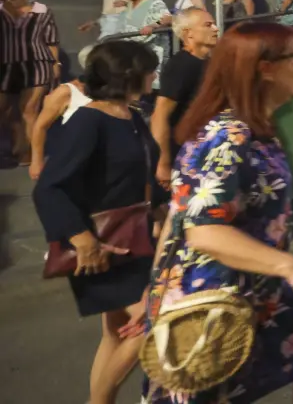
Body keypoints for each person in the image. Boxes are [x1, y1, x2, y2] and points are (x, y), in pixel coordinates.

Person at [143, 22, 293, 402]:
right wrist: (292, 268)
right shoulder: (226, 136)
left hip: (255, 291)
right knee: (203, 391)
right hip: (210, 301)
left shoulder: (257, 130)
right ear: (266, 68)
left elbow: (178, 212)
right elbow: (202, 230)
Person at [32, 40, 158, 404]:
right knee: (156, 320)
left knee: (117, 334)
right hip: (102, 245)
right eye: (149, 69)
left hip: (132, 239)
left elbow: (144, 171)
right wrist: (82, 239)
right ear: (127, 74)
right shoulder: (89, 119)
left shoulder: (130, 115)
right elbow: (49, 188)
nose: (154, 75)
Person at [149, 8, 217, 193]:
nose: (216, 28)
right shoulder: (181, 65)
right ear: (188, 33)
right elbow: (160, 115)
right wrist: (163, 163)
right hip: (185, 156)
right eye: (208, 25)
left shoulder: (209, 63)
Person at [0, 0, 61, 164]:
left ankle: (31, 154)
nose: (10, 0)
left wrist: (56, 64)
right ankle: (20, 137)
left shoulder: (41, 11)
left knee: (29, 110)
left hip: (37, 63)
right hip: (6, 64)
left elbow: (51, 40)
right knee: (4, 109)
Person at [27, 75, 90, 181]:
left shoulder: (115, 91)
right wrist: (37, 161)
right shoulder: (66, 91)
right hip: (75, 161)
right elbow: (41, 126)